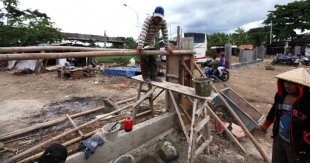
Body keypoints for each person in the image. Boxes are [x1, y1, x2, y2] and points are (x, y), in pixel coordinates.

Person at [259, 68, 310, 163]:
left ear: (300, 85)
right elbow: (274, 109)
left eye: (292, 83)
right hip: (280, 137)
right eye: (285, 82)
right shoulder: (280, 96)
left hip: (298, 143)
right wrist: (266, 124)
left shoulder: (307, 102)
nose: (287, 85)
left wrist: (306, 139)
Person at [136, 6, 173, 84]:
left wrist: (167, 46)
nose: (157, 19)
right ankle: (146, 77)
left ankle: (153, 76)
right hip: (143, 42)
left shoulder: (163, 22)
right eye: (156, 17)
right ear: (153, 15)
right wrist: (140, 45)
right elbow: (143, 31)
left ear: (162, 18)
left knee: (153, 60)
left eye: (159, 18)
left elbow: (165, 35)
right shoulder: (148, 20)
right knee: (145, 60)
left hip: (151, 42)